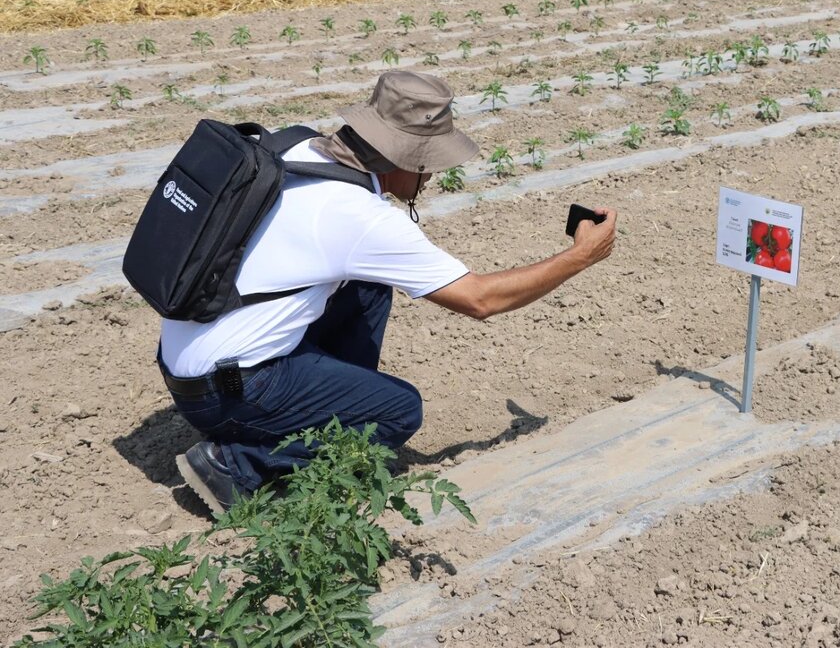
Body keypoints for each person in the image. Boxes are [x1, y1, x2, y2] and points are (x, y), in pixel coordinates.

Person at [158, 70, 617, 515]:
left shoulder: (296, 146)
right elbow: (481, 299)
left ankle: (324, 416)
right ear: (406, 158)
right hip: (229, 391)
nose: (432, 177)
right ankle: (237, 465)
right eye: (430, 165)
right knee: (398, 410)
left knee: (368, 285)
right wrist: (579, 257)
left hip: (190, 359)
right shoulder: (360, 217)